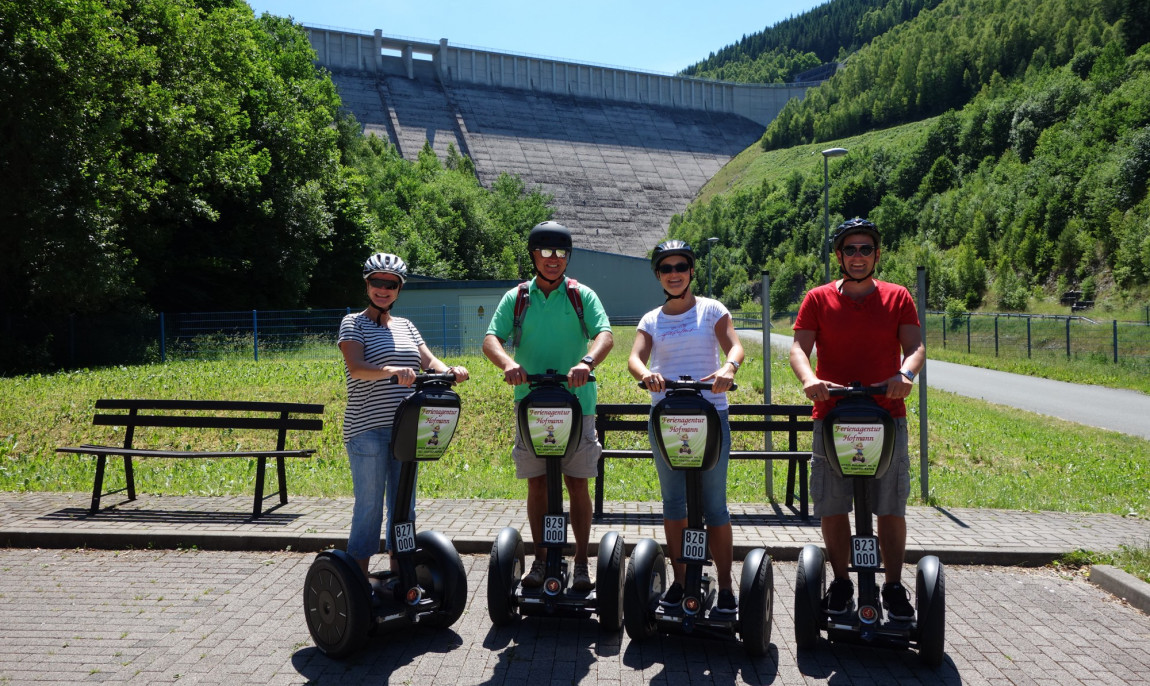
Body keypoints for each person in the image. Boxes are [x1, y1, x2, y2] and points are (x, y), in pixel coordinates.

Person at [789, 217, 925, 621]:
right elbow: (798, 349)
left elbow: (915, 347)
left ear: (877, 254)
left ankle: (893, 586)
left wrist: (905, 375)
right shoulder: (817, 299)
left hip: (886, 414)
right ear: (839, 256)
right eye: (850, 249)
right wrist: (810, 379)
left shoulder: (898, 297)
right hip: (833, 414)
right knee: (833, 505)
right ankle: (842, 582)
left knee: (890, 506)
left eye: (866, 249)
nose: (858, 256)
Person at [483, 221, 613, 592]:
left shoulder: (581, 295)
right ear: (533, 256)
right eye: (545, 252)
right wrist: (508, 364)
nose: (552, 259)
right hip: (532, 405)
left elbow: (605, 335)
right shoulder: (518, 298)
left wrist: (586, 363)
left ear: (567, 257)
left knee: (577, 483)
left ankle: (582, 562)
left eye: (560, 253)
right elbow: (491, 339)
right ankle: (541, 560)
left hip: (577, 404)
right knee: (537, 484)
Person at [627, 239, 745, 614]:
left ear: (691, 271)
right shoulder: (651, 319)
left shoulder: (712, 310)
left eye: (681, 267)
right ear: (658, 275)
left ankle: (725, 586)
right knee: (674, 503)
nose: (674, 274)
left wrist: (728, 368)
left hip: (710, 415)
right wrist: (646, 375)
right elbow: (635, 358)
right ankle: (680, 582)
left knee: (715, 506)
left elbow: (735, 347)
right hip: (668, 419)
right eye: (666, 268)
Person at [339, 252, 469, 580]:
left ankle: (401, 577)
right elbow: (356, 368)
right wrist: (391, 371)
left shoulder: (407, 326)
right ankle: (357, 584)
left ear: (399, 289)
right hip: (367, 429)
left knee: (403, 507)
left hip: (406, 429)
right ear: (367, 285)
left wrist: (451, 370)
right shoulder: (353, 323)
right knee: (369, 508)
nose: (383, 289)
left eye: (391, 284)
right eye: (377, 282)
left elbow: (430, 362)